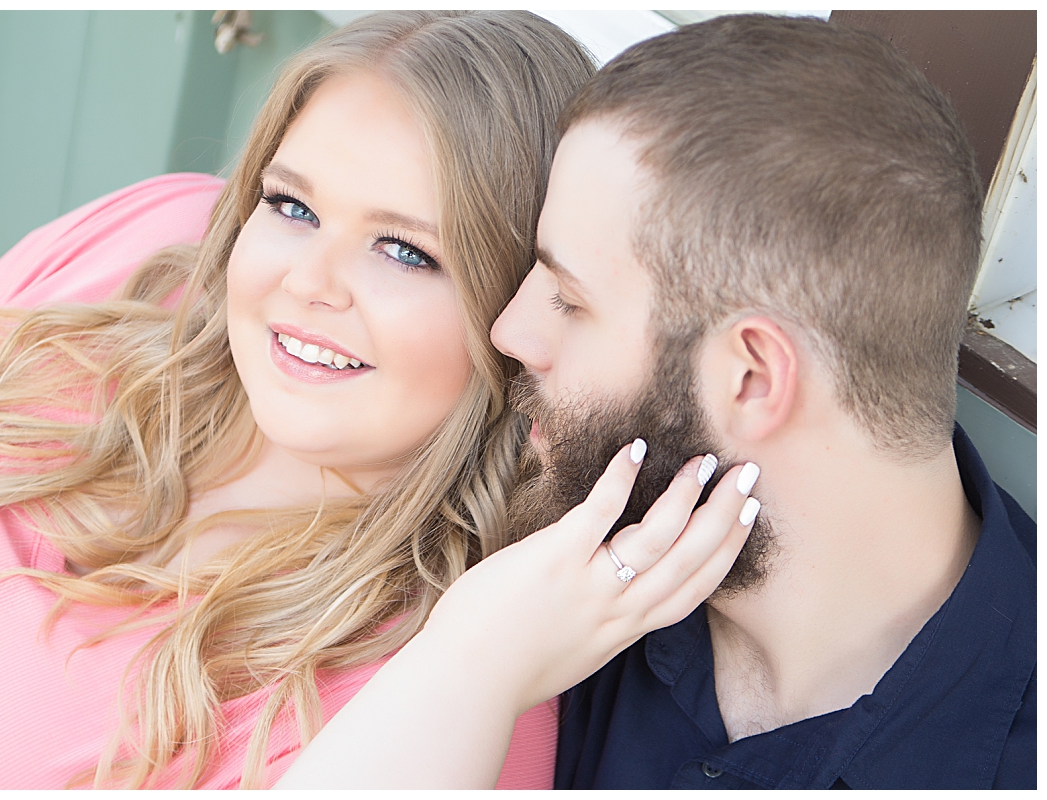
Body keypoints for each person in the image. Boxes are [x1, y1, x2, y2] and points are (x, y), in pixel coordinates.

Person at [0, 11, 664, 789]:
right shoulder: (159, 252)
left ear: (522, 310)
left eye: (404, 251)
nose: (306, 281)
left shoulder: (434, 705)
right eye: (292, 206)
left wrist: (472, 672)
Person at [277, 14, 1035, 790]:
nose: (509, 331)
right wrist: (468, 662)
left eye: (568, 301)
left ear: (751, 379)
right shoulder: (538, 551)